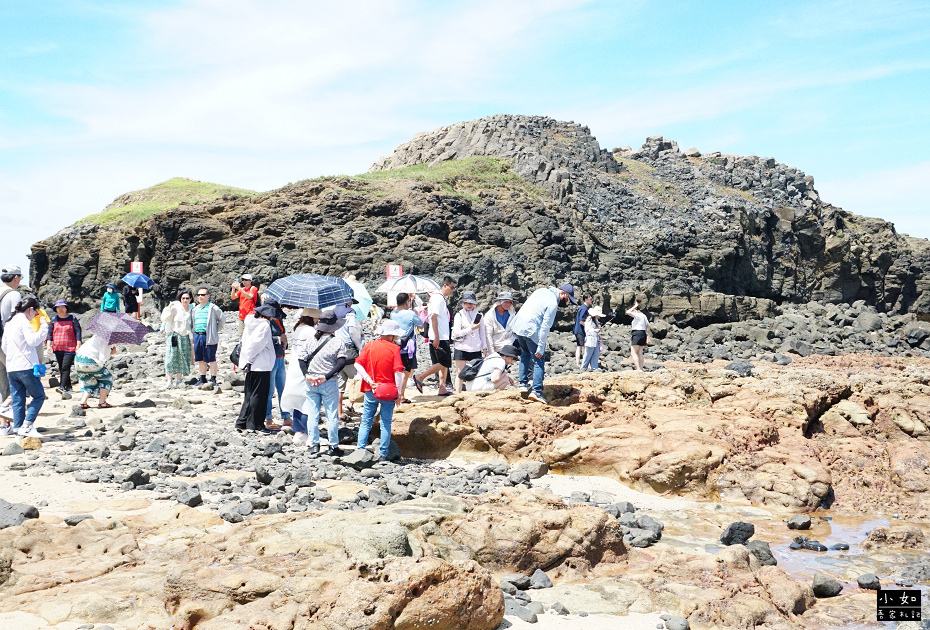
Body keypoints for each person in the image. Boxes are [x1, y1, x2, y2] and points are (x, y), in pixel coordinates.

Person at [510, 283, 577, 404]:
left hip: (518, 326)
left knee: (525, 354)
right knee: (538, 360)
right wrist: (541, 347)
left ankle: (523, 384)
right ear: (563, 293)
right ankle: (536, 392)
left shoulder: (540, 291)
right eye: (567, 299)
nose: (566, 303)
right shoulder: (552, 303)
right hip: (531, 329)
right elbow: (545, 326)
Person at [297, 309, 349, 455]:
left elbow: (301, 359)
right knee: (331, 415)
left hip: (311, 381)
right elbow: (341, 363)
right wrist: (326, 376)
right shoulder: (337, 341)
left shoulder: (310, 340)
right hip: (328, 381)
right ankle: (333, 446)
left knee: (313, 414)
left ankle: (314, 444)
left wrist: (306, 375)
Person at [355, 319, 404, 462]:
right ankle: (383, 454)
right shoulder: (395, 349)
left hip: (372, 388)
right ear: (392, 335)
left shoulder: (370, 345)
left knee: (366, 421)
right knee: (386, 422)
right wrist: (399, 393)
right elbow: (398, 373)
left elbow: (358, 364)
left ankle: (360, 450)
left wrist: (369, 380)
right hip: (388, 391)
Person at [0, 297, 48, 437]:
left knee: (17, 400)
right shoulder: (23, 321)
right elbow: (32, 340)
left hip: (12, 366)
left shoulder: (9, 323)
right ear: (30, 310)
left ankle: (18, 432)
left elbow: (4, 346)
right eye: (36, 313)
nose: (35, 316)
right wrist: (44, 327)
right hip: (26, 366)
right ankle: (27, 425)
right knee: (39, 396)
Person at [281, 308, 322, 444]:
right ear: (312, 318)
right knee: (307, 400)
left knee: (297, 400)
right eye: (317, 318)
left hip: (294, 366)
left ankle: (298, 430)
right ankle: (306, 432)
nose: (318, 321)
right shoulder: (311, 332)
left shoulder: (298, 328)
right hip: (305, 368)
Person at [412, 276, 456, 396]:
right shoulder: (438, 298)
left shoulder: (438, 297)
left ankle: (442, 387)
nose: (452, 290)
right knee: (444, 362)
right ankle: (420, 377)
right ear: (444, 285)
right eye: (451, 287)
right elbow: (433, 317)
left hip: (442, 335)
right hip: (439, 336)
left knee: (443, 363)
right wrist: (436, 336)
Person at [236, 303, 276, 433]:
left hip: (252, 364)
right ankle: (256, 424)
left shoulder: (250, 323)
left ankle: (242, 422)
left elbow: (249, 343)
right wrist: (250, 359)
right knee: (259, 396)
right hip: (261, 364)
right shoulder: (264, 325)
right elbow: (257, 345)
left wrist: (247, 361)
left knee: (250, 394)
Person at [451, 290, 487, 393]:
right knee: (460, 373)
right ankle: (458, 394)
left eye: (471, 303)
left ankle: (473, 394)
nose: (469, 305)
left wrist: (484, 347)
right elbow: (456, 333)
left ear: (475, 303)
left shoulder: (479, 315)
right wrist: (471, 329)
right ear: (463, 303)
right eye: (466, 303)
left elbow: (482, 333)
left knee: (476, 373)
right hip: (461, 347)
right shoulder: (459, 315)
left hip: (475, 348)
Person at [0, 264, 24, 414]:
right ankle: (14, 417)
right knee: (18, 380)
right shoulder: (14, 295)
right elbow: (17, 320)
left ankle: (4, 424)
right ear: (16, 277)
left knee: (3, 382)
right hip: (7, 342)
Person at [262, 299, 290, 430]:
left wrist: (284, 341)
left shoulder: (278, 319)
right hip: (271, 358)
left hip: (280, 356)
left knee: (282, 388)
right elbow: (263, 339)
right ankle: (268, 417)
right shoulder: (265, 321)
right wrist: (280, 339)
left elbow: (281, 335)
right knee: (270, 390)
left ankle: (286, 416)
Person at [390, 292, 422, 403]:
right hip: (407, 347)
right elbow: (421, 325)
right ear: (407, 302)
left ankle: (395, 393)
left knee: (396, 371)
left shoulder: (393, 313)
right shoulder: (411, 314)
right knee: (406, 371)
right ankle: (401, 395)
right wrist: (416, 313)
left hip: (394, 345)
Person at [46, 299, 82, 393]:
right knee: (62, 367)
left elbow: (78, 332)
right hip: (58, 347)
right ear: (56, 309)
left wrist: (78, 344)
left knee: (65, 367)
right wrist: (49, 346)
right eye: (58, 308)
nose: (60, 309)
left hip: (70, 347)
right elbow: (49, 334)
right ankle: (69, 387)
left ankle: (62, 386)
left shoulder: (72, 318)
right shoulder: (54, 320)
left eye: (62, 307)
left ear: (66, 308)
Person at [334, 299, 362, 422]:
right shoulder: (350, 313)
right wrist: (360, 347)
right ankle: (351, 405)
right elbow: (352, 331)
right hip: (349, 351)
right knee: (359, 378)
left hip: (335, 350)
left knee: (339, 386)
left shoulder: (333, 311)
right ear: (349, 302)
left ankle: (339, 413)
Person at [160, 289, 194, 388]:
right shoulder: (175, 306)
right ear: (180, 298)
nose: (185, 300)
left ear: (190, 299)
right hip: (173, 335)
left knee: (182, 358)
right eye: (183, 298)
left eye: (187, 298)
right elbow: (165, 319)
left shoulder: (192, 309)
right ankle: (169, 380)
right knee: (170, 357)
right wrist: (168, 309)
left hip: (185, 336)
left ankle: (179, 380)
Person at [191, 286, 224, 387]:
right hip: (197, 335)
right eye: (198, 295)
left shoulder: (213, 308)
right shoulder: (195, 309)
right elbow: (192, 322)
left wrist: (214, 330)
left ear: (208, 296)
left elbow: (222, 319)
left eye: (203, 295)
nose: (200, 297)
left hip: (208, 336)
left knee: (211, 358)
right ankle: (202, 378)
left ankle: (213, 379)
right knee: (200, 358)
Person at [75, 334, 116, 410]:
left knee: (89, 381)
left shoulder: (95, 337)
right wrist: (112, 351)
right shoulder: (107, 339)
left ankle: (83, 402)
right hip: (89, 360)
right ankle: (102, 402)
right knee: (107, 378)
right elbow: (103, 357)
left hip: (78, 359)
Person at [626, 300, 649, 371]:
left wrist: (635, 306)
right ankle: (641, 369)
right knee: (640, 352)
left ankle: (638, 369)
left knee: (633, 352)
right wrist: (647, 333)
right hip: (643, 333)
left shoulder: (638, 315)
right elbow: (648, 325)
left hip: (637, 333)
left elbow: (627, 312)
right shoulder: (644, 316)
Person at [582, 305, 604, 371]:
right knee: (588, 354)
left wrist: (598, 328)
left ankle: (594, 368)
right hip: (590, 339)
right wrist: (595, 330)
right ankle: (583, 368)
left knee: (596, 354)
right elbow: (587, 329)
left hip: (595, 339)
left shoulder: (596, 319)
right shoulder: (589, 319)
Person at [574, 294, 593, 367]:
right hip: (580, 330)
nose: (591, 300)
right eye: (590, 299)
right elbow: (581, 321)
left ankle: (582, 363)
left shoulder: (584, 308)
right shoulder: (584, 309)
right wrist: (589, 327)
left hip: (579, 330)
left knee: (582, 346)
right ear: (586, 299)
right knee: (581, 347)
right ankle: (579, 364)